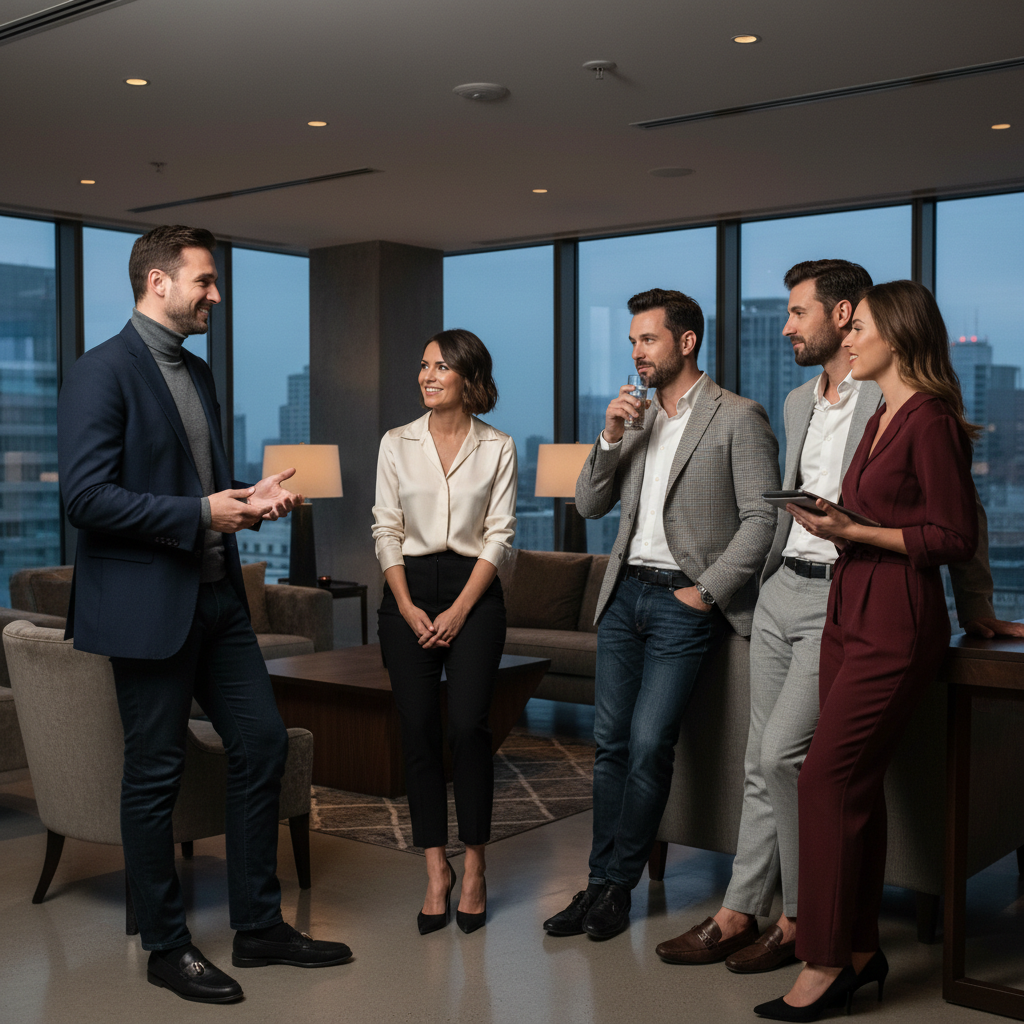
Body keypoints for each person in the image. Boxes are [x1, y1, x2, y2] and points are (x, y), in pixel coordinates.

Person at [655, 262, 1021, 973]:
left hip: (848, 594)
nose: (789, 326)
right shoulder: (798, 404)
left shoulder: (894, 401)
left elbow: (954, 514)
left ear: (846, 315)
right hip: (781, 593)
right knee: (761, 762)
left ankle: (802, 922)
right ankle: (742, 910)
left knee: (790, 758)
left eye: (800, 313)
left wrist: (976, 604)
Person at [57, 225, 352, 1005]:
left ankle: (258, 927)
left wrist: (248, 504)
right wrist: (198, 512)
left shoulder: (198, 372)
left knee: (261, 744)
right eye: (205, 282)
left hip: (218, 601)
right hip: (148, 609)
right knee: (154, 775)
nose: (216, 296)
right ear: (158, 283)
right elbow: (84, 499)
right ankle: (166, 945)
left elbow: (205, 488)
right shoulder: (100, 372)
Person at [753, 280, 980, 1021]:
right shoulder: (881, 413)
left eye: (862, 329)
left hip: (895, 615)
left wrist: (856, 533)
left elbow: (953, 536)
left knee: (822, 776)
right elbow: (885, 512)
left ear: (900, 336)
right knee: (856, 786)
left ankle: (822, 961)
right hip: (849, 600)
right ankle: (857, 952)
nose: (848, 338)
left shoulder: (931, 420)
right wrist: (837, 522)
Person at [543, 288, 780, 941]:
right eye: (631, 342)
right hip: (623, 598)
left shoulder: (739, 417)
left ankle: (616, 887)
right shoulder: (636, 419)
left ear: (686, 341)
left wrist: (706, 592)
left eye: (647, 339)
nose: (636, 352)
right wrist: (610, 434)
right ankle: (596, 884)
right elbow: (589, 505)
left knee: (649, 744)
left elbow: (764, 520)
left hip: (684, 600)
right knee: (610, 747)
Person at [373, 328, 517, 935]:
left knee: (467, 726)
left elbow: (501, 536)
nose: (427, 375)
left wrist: (459, 610)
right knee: (418, 731)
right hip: (406, 589)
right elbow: (386, 528)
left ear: (468, 377)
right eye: (423, 365)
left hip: (475, 592)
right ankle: (437, 868)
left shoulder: (499, 446)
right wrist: (407, 607)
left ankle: (476, 864)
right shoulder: (395, 443)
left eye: (440, 367)